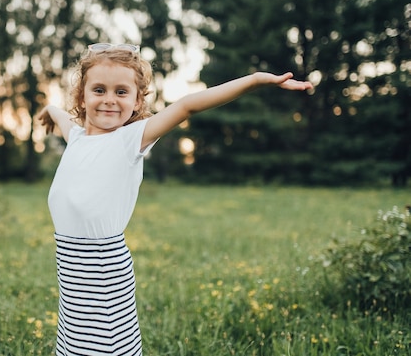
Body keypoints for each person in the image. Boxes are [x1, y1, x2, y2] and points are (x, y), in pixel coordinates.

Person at [37, 42, 313, 356]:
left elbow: (187, 106)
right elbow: (61, 117)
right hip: (72, 271)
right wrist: (49, 110)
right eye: (99, 90)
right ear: (81, 96)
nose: (110, 100)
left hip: (103, 271)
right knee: (73, 346)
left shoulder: (130, 140)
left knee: (105, 349)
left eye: (122, 92)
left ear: (137, 99)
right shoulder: (75, 138)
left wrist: (254, 81)